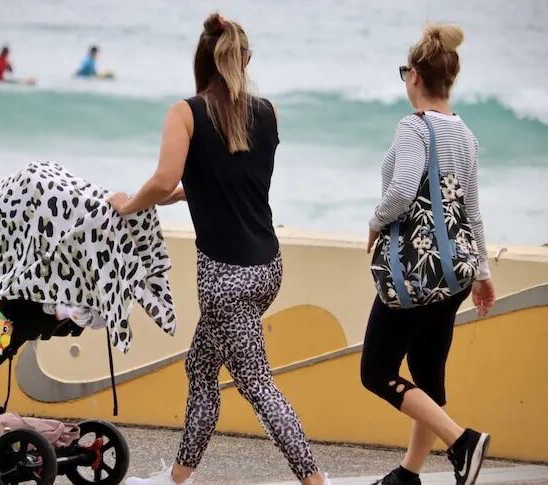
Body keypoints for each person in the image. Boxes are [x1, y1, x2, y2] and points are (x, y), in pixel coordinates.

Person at [108, 12, 329, 485]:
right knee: (200, 366)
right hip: (267, 267)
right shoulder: (268, 110)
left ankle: (314, 480)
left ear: (201, 60)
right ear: (244, 59)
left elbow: (166, 178)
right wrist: (183, 194)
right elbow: (231, 179)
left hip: (225, 280)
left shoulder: (185, 112)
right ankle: (177, 478)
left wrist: (127, 206)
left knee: (257, 384)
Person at [362, 24, 496, 485]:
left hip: (416, 274)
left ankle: (462, 442)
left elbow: (401, 191)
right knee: (427, 373)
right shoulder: (466, 134)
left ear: (415, 77)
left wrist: (376, 221)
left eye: (405, 73)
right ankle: (408, 475)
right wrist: (482, 272)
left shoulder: (414, 127)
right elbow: (472, 211)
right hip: (455, 274)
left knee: (376, 371)